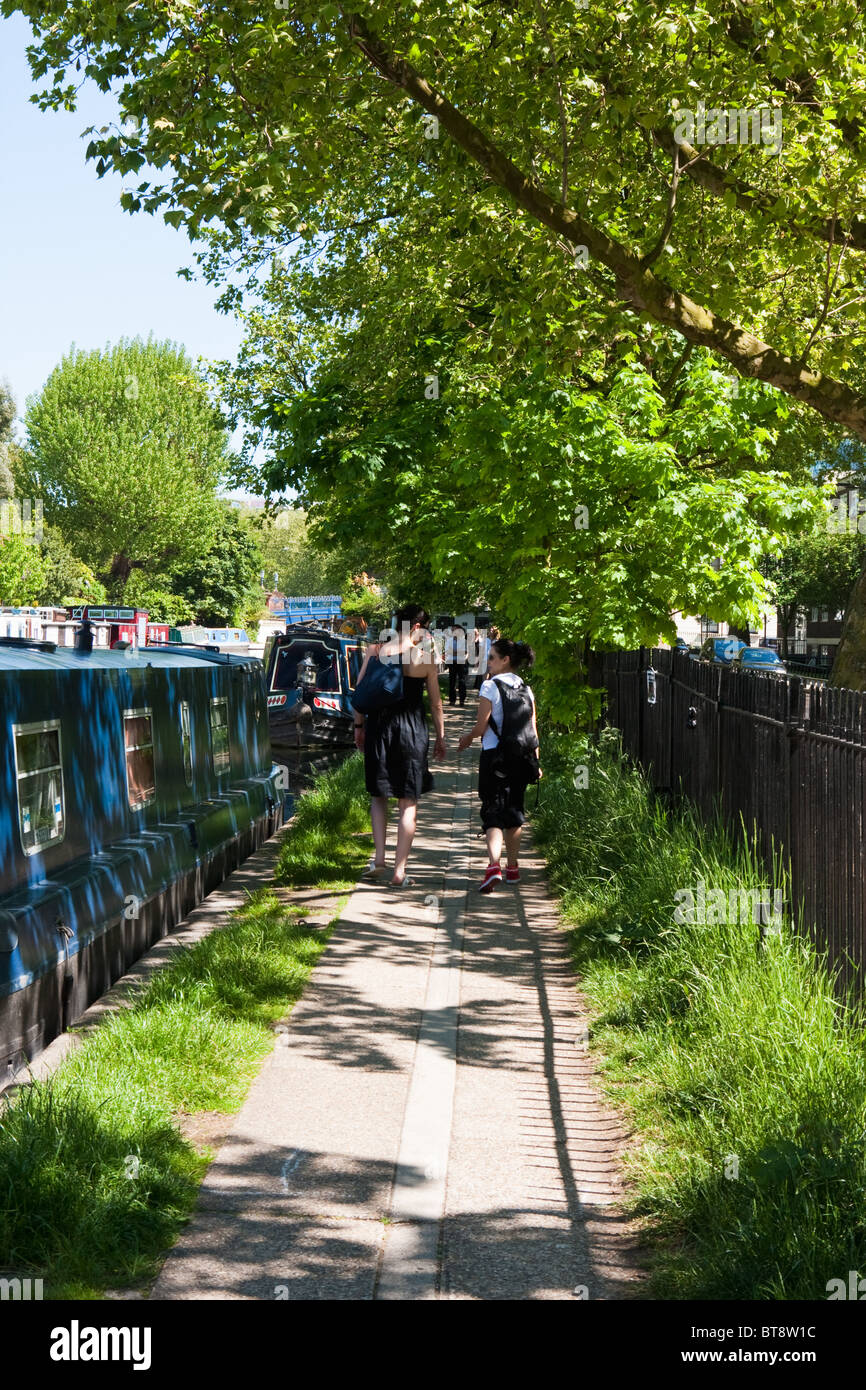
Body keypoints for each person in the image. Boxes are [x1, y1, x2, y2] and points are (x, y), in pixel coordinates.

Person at [354, 603, 446, 888]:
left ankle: (379, 860)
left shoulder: (374, 652)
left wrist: (359, 728)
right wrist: (441, 737)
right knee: (408, 802)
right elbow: (435, 703)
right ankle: (399, 872)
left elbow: (360, 694)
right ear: (417, 627)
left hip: (379, 728)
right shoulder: (425, 657)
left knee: (378, 796)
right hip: (411, 731)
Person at [457, 637, 540, 893]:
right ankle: (513, 868)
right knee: (515, 812)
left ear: (505, 660)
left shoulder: (490, 687)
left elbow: (482, 727)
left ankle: (494, 866)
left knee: (493, 810)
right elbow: (533, 730)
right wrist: (537, 761)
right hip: (522, 757)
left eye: (491, 657)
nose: (488, 662)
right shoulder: (526, 688)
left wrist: (467, 738)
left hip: (495, 757)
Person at [445, 623, 469, 707]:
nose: (453, 631)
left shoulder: (464, 641)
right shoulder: (449, 640)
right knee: (452, 682)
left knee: (462, 681)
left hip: (461, 663)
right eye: (452, 630)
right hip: (452, 663)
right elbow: (447, 652)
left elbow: (465, 652)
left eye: (454, 629)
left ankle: (462, 700)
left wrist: (454, 652)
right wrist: (458, 652)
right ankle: (452, 700)